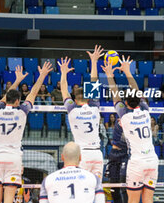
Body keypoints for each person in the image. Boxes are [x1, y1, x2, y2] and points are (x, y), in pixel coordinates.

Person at [0, 63, 53, 203]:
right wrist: (42, 75)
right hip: (13, 158)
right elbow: (33, 93)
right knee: (8, 200)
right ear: (18, 101)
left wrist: (17, 81)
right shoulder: (21, 112)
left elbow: (5, 98)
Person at [102, 55, 158, 203]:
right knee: (148, 200)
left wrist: (109, 75)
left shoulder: (125, 115)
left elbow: (115, 94)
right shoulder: (146, 110)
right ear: (139, 100)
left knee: (132, 200)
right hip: (152, 160)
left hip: (137, 162)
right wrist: (128, 72)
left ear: (125, 102)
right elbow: (136, 91)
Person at [58, 45, 104, 179]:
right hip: (96, 154)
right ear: (88, 97)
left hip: (82, 155)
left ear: (75, 99)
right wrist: (94, 61)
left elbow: (63, 90)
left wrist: (63, 72)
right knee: (97, 188)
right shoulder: (94, 108)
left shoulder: (72, 110)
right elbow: (94, 81)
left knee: (82, 186)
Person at [39, 142, 105, 203]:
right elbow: (100, 200)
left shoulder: (48, 180)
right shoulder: (93, 178)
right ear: (80, 157)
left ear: (62, 157)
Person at [106, 119, 129, 203]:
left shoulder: (132, 119)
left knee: (124, 185)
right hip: (114, 154)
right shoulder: (119, 116)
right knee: (113, 187)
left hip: (125, 154)